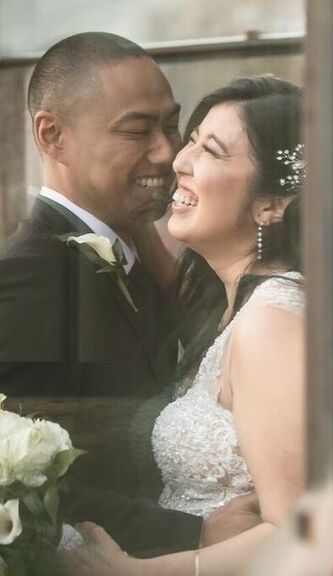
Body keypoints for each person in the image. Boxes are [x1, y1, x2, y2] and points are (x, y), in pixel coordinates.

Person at [59, 75, 307, 576]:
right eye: (191, 141)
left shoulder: (272, 324)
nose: (179, 161)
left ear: (272, 206)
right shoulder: (229, 308)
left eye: (211, 151)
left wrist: (131, 572)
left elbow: (302, 537)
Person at [0, 32, 201, 555]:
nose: (167, 151)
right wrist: (198, 535)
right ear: (52, 135)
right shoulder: (26, 277)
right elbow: (24, 481)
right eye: (137, 131)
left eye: (172, 125)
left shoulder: (137, 256)